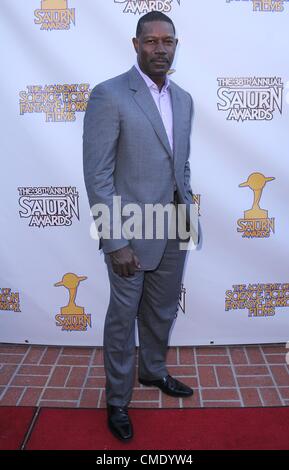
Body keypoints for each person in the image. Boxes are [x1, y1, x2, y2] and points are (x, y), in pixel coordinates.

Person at [83, 11, 199, 442]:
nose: (160, 49)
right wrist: (114, 240)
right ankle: (117, 399)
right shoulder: (109, 95)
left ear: (175, 45)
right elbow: (98, 176)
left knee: (162, 310)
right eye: (150, 41)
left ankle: (152, 372)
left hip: (175, 224)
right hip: (130, 231)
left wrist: (185, 209)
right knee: (123, 317)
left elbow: (180, 163)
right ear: (135, 45)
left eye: (166, 41)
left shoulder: (184, 98)